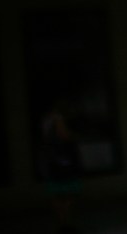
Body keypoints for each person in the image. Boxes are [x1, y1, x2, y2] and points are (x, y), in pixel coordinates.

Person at [39, 99, 82, 233]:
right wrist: (74, 136)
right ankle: (65, 223)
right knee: (67, 192)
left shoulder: (46, 119)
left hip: (51, 160)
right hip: (61, 160)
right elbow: (63, 135)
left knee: (56, 194)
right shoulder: (57, 117)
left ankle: (62, 222)